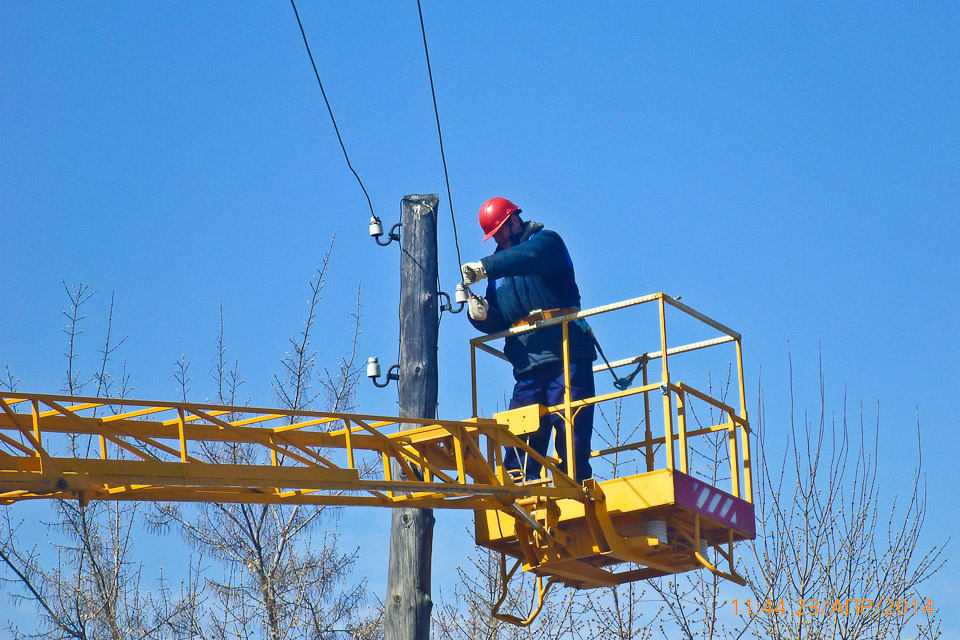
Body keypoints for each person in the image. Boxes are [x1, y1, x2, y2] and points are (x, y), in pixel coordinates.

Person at [461, 197, 597, 483]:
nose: (497, 238)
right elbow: (502, 318)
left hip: (566, 353)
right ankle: (520, 480)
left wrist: (486, 266)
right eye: (493, 234)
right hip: (527, 363)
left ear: (514, 220)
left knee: (571, 423)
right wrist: (481, 315)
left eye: (499, 230)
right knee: (520, 425)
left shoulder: (546, 243)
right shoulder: (498, 272)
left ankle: (573, 481)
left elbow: (530, 257)